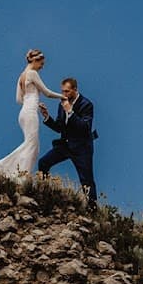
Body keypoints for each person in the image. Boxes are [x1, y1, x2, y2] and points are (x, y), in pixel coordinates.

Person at [0, 49, 62, 176]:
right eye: (41, 64)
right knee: (31, 145)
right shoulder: (32, 73)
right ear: (35, 60)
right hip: (30, 113)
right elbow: (47, 92)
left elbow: (19, 99)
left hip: (23, 113)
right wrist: (63, 97)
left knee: (33, 146)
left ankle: (18, 173)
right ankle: (4, 171)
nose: (42, 67)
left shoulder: (21, 76)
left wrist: (36, 104)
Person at [38, 77, 98, 205]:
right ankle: (44, 193)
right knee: (43, 162)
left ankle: (92, 209)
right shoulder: (62, 104)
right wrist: (47, 116)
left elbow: (85, 127)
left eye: (67, 91)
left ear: (75, 90)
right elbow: (60, 127)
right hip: (65, 145)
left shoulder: (86, 104)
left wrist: (70, 111)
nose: (64, 95)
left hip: (82, 148)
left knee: (86, 180)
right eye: (62, 91)